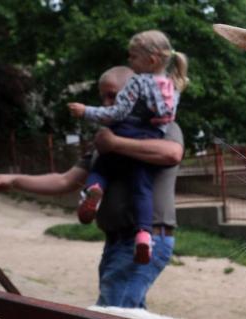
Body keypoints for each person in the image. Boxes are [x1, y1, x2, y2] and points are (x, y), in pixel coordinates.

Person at [0, 66, 183, 309]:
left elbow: (172, 153)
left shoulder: (160, 126)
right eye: (103, 96)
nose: (106, 102)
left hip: (147, 239)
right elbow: (65, 180)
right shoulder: (104, 140)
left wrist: (114, 143)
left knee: (110, 318)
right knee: (131, 317)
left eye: (113, 95)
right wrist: (13, 180)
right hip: (116, 242)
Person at [68, 30, 188, 264]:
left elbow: (118, 112)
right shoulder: (174, 85)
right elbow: (166, 117)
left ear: (151, 60)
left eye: (133, 57)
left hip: (129, 131)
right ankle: (144, 235)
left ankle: (93, 191)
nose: (130, 62)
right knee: (143, 190)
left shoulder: (137, 82)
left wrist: (87, 112)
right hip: (152, 137)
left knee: (102, 166)